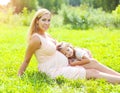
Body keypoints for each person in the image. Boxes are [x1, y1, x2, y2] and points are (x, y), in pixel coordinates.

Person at [18, 8, 120, 84]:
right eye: (44, 20)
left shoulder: (45, 34)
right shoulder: (36, 39)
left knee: (93, 62)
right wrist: (19, 76)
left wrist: (76, 51)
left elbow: (60, 47)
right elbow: (26, 60)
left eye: (49, 20)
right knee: (93, 72)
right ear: (37, 21)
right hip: (53, 70)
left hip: (65, 63)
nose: (47, 23)